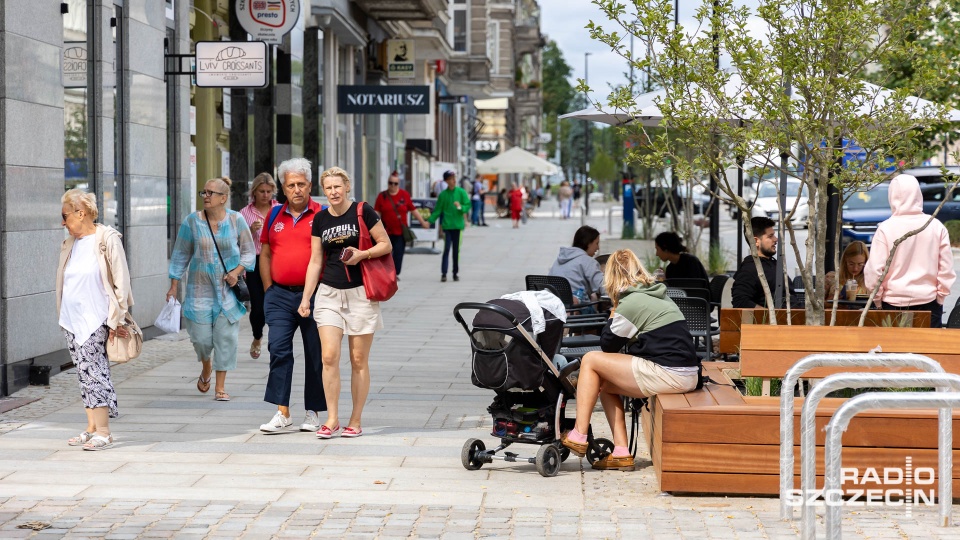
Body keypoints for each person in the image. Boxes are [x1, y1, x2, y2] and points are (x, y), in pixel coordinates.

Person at [561, 249, 700, 470]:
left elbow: (608, 344)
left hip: (669, 373)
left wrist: (614, 309)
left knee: (590, 360)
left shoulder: (631, 302)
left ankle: (579, 434)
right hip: (684, 373)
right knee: (605, 384)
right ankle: (621, 452)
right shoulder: (655, 294)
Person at [299, 166, 392, 439]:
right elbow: (316, 260)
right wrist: (306, 298)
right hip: (328, 293)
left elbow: (385, 244)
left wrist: (362, 254)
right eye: (328, 188)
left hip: (361, 293)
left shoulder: (364, 211)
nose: (333, 192)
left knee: (358, 359)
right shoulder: (320, 219)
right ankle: (331, 418)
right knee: (329, 356)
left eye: (337, 186)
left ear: (347, 186)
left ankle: (355, 419)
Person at [56, 189, 133, 451]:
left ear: (81, 212)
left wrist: (118, 319)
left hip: (96, 318)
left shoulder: (106, 238)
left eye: (65, 216)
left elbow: (122, 281)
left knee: (94, 372)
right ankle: (91, 428)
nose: (63, 222)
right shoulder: (70, 243)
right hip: (70, 319)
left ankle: (104, 431)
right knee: (83, 372)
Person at [168, 177, 256, 402]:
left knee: (225, 339)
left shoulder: (237, 220)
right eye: (204, 192)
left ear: (223, 198)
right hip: (199, 291)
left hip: (227, 291)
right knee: (201, 340)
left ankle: (220, 387)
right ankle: (206, 366)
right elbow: (180, 254)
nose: (206, 196)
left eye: (211, 193)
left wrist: (236, 272)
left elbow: (248, 251)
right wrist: (174, 285)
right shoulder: (192, 222)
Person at [257, 158, 328, 433]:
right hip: (279, 296)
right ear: (283, 189)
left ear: (309, 185)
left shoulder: (322, 214)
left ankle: (313, 412)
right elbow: (264, 252)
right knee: (278, 349)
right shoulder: (274, 216)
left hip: (316, 296)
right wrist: (268, 290)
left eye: (301, 184)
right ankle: (282, 412)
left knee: (316, 354)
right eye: (290, 185)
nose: (296, 189)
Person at [864, 173, 956, 328]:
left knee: (894, 350)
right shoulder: (935, 226)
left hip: (892, 302)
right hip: (929, 301)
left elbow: (874, 270)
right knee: (927, 349)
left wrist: (877, 299)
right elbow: (946, 267)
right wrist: (940, 296)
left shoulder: (885, 228)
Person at [239, 172, 280, 359]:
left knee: (277, 306)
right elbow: (235, 241)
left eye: (268, 191)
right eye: (261, 191)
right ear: (254, 192)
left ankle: (276, 342)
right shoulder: (244, 213)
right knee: (258, 307)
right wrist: (249, 230)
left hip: (276, 260)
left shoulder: (280, 210)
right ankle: (257, 336)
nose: (265, 195)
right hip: (254, 264)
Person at [373, 171, 429, 277]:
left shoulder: (404, 195)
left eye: (395, 183)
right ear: (388, 183)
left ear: (398, 184)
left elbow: (413, 210)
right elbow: (376, 213)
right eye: (390, 183)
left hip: (400, 231)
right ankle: (387, 273)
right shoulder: (382, 196)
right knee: (386, 254)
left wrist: (423, 222)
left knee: (398, 253)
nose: (393, 186)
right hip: (386, 231)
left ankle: (395, 274)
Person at [427, 170, 470, 282]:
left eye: (454, 178)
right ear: (446, 181)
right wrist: (429, 221)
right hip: (447, 226)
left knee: (456, 250)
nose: (454, 180)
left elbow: (467, 205)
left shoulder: (461, 192)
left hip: (458, 226)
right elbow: (438, 210)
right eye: (451, 179)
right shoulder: (443, 195)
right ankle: (444, 273)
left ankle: (455, 273)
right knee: (446, 249)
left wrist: (460, 207)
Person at [549, 225, 604, 307]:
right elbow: (603, 286)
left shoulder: (558, 261)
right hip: (578, 311)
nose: (598, 248)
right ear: (588, 243)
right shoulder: (588, 261)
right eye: (596, 243)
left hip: (556, 309)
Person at [731, 216, 779, 308]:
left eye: (774, 235)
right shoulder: (749, 270)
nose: (775, 239)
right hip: (780, 320)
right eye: (770, 236)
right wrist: (771, 316)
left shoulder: (774, 263)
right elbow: (740, 301)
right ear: (756, 241)